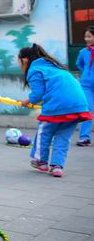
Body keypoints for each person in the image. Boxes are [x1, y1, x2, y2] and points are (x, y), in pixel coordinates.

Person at [19, 44, 92, 177]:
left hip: (58, 106)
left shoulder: (34, 69)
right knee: (63, 136)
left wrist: (27, 101)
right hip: (78, 106)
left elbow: (38, 94)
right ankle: (57, 166)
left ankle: (41, 161)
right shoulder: (55, 67)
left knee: (44, 132)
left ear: (24, 60)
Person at [76, 25, 94, 146]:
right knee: (87, 110)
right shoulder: (83, 52)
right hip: (87, 86)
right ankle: (84, 138)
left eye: (89, 36)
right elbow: (79, 64)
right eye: (86, 36)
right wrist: (88, 72)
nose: (87, 39)